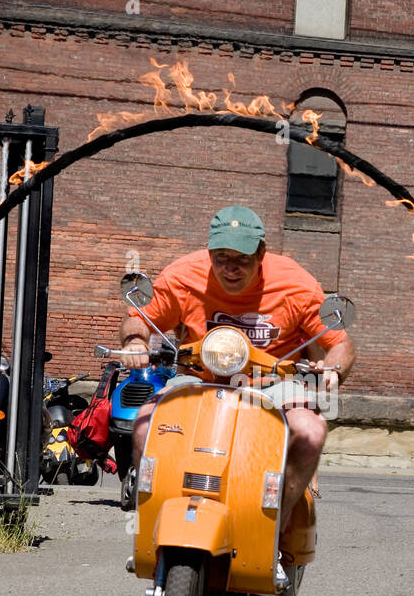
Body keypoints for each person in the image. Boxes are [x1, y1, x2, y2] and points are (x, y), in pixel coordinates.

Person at [121, 205, 356, 543]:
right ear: (209, 250)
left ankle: (276, 526)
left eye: (242, 258)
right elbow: (139, 317)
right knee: (145, 423)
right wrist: (133, 342)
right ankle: (155, 526)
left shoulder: (296, 284)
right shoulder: (183, 276)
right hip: (198, 379)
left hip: (273, 384)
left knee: (311, 431)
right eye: (220, 257)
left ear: (261, 252)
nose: (229, 268)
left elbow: (340, 343)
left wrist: (333, 369)